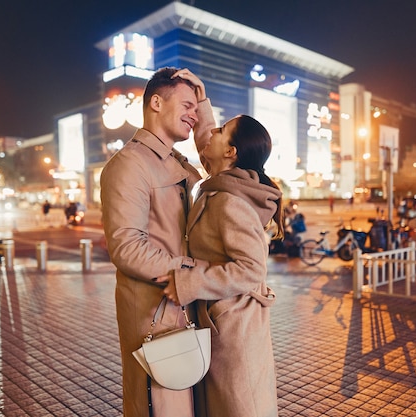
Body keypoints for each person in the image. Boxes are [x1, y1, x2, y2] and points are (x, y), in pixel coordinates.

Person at [160, 103, 284, 415]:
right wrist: (199, 103)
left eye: (220, 131)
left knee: (239, 407)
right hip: (224, 321)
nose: (210, 134)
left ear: (231, 151)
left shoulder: (229, 200)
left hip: (235, 327)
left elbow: (252, 269)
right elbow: (205, 146)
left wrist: (190, 283)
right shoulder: (219, 186)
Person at [99, 67, 209, 417]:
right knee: (159, 408)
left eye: (197, 107)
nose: (194, 115)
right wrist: (190, 272)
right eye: (188, 105)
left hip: (181, 305)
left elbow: (221, 162)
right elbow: (127, 247)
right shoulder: (130, 164)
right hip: (153, 311)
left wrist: (204, 102)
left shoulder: (175, 161)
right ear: (156, 102)